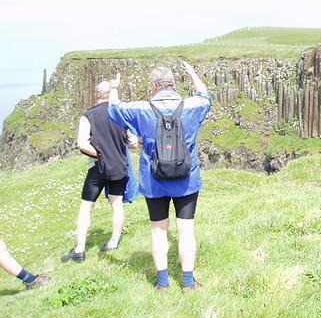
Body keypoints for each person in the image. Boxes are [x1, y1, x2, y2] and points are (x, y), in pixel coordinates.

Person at [107, 61, 211, 291]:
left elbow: (114, 109)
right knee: (185, 229)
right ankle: (187, 282)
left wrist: (114, 87)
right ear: (172, 84)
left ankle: (162, 282)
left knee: (158, 229)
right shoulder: (192, 106)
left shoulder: (141, 109)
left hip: (154, 180)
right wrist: (193, 73)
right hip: (187, 178)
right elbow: (205, 96)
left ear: (154, 86)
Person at [61, 81, 139, 263]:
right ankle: (113, 242)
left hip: (97, 167)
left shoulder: (88, 116)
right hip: (119, 165)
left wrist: (101, 154)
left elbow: (82, 143)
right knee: (117, 204)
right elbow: (133, 143)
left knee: (86, 206)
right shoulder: (120, 115)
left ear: (96, 95)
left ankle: (79, 249)